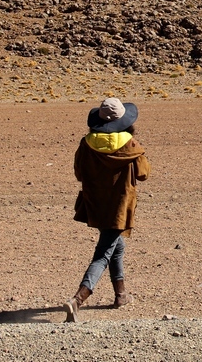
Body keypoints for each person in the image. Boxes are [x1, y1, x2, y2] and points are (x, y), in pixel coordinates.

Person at [64, 98, 151, 323]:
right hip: (119, 206)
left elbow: (79, 174)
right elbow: (144, 173)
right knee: (103, 253)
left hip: (96, 205)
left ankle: (120, 295)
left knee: (116, 246)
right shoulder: (131, 145)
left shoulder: (86, 143)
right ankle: (78, 299)